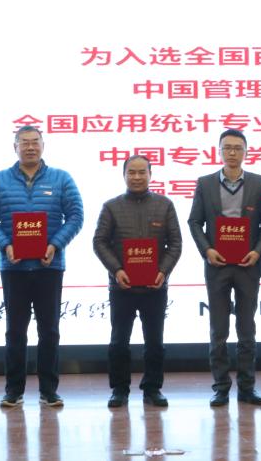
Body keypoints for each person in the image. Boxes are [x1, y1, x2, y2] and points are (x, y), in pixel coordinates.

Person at [0, 125, 83, 408]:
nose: (29, 147)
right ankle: (13, 390)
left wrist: (55, 245)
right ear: (15, 147)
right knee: (15, 331)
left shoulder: (61, 178)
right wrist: (5, 245)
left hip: (49, 266)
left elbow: (76, 216)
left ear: (43, 145)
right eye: (23, 142)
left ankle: (49, 390)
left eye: (34, 142)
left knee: (49, 331)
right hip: (13, 267)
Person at [188, 129, 261, 407]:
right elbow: (194, 222)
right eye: (227, 147)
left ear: (246, 152)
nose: (233, 152)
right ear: (219, 151)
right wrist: (207, 250)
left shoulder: (259, 183)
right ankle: (221, 387)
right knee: (219, 329)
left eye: (238, 147)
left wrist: (257, 252)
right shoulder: (205, 183)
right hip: (218, 265)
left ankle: (247, 387)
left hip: (248, 264)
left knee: (247, 329)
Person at [93, 155, 182, 408]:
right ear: (124, 175)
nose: (137, 177)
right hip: (122, 286)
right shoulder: (111, 206)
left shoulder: (165, 205)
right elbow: (99, 242)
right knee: (119, 341)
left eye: (142, 172)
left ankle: (152, 388)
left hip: (155, 286)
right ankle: (119, 389)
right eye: (131, 172)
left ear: (150, 174)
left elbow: (175, 243)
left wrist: (163, 271)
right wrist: (116, 270)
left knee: (154, 342)